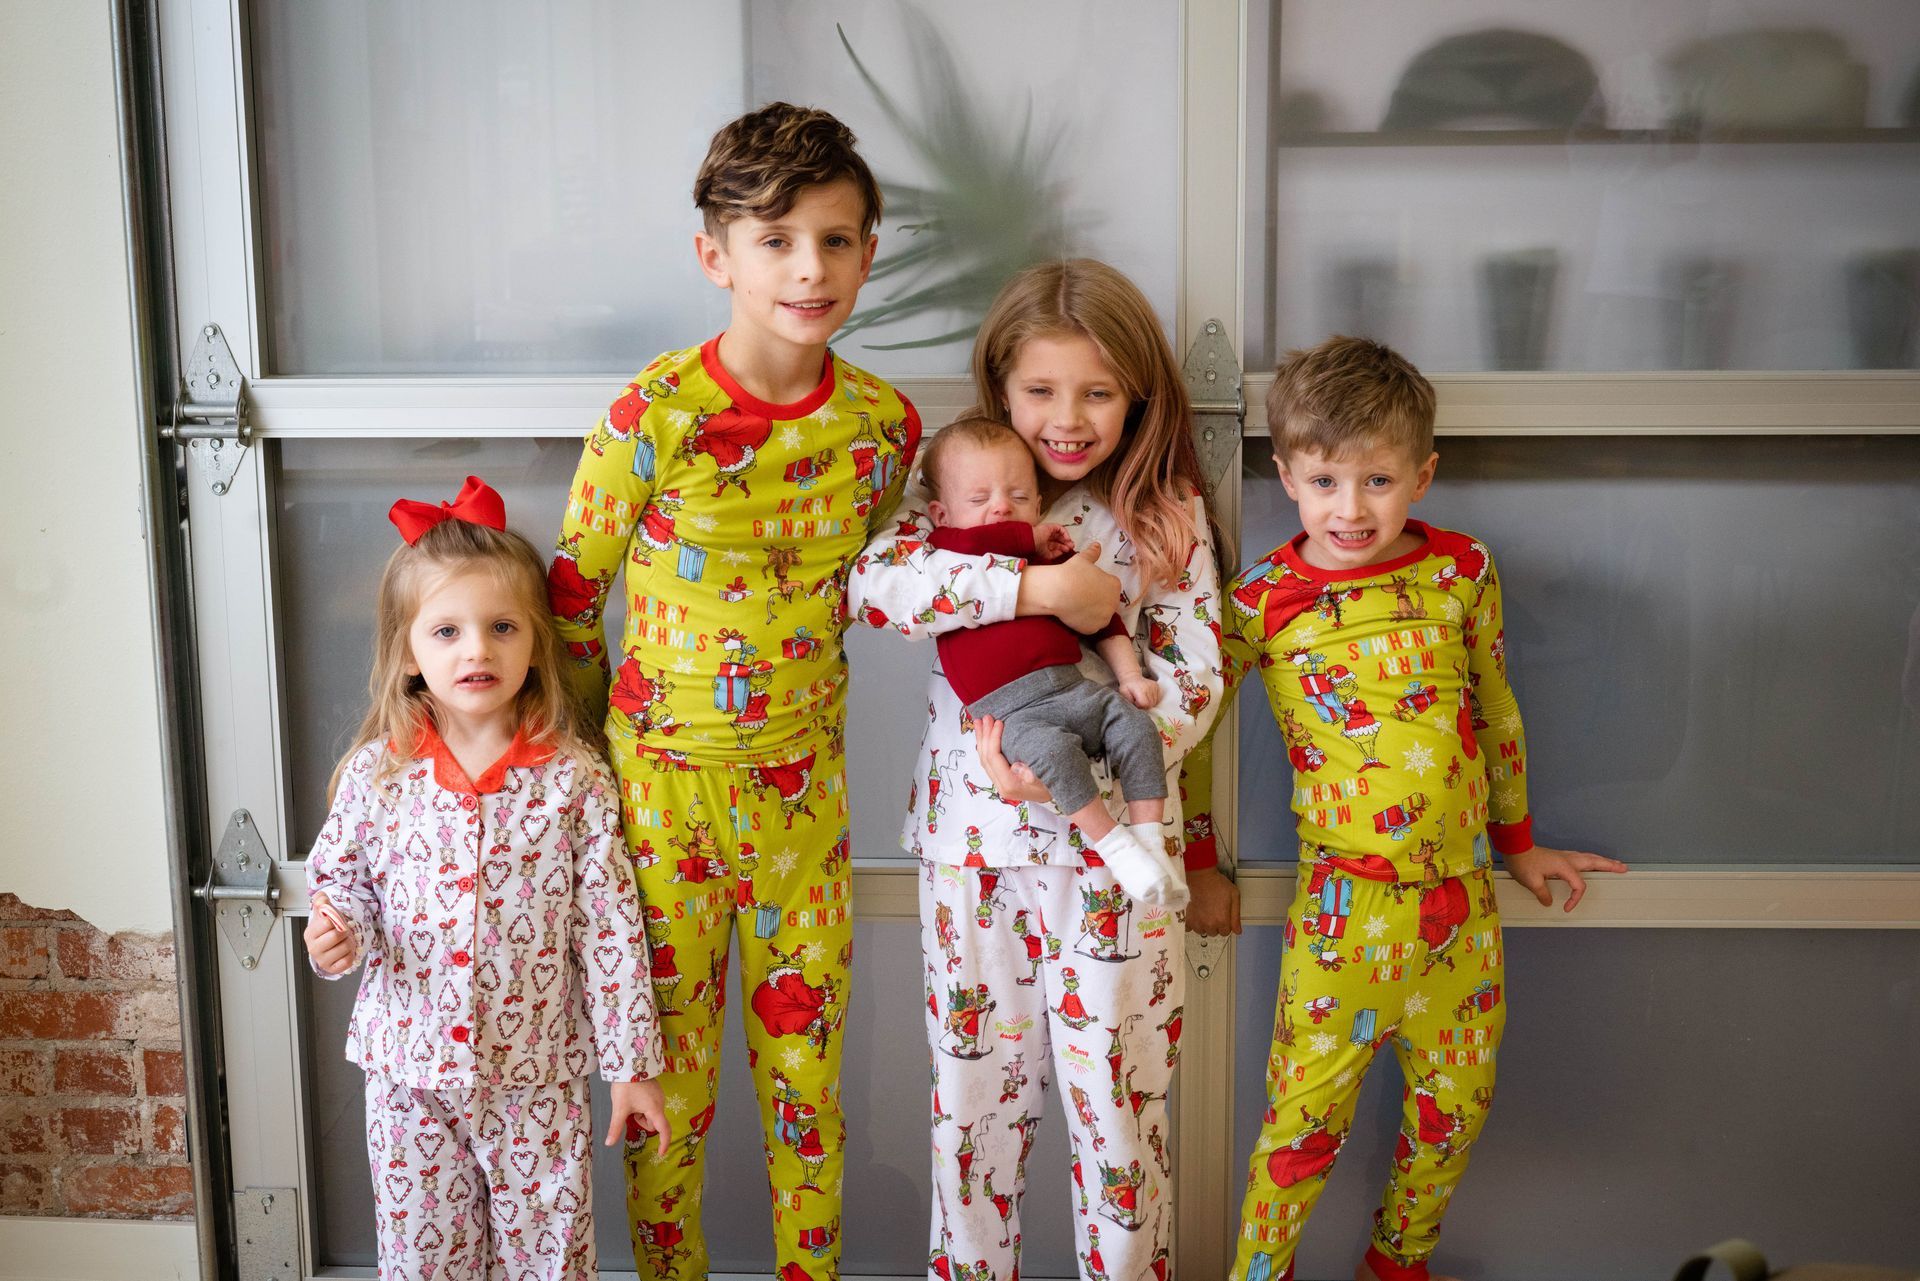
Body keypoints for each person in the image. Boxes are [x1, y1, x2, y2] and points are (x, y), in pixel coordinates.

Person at [545, 103, 919, 1279]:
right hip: (658, 811)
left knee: (810, 1096)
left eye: (839, 240)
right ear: (717, 256)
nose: (811, 268)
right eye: (777, 240)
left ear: (869, 250)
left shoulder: (882, 427)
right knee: (668, 1103)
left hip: (803, 811)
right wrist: (599, 777)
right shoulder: (650, 417)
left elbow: (889, 582)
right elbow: (569, 609)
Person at [1208, 337, 1627, 1281]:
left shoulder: (1461, 571)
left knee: (1456, 1109)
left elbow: (1495, 708)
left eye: (1378, 480)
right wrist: (1197, 857)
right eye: (1323, 481)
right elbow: (1191, 735)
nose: (1349, 509)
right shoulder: (1261, 602)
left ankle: (1398, 1262)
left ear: (1423, 475)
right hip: (1344, 916)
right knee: (1299, 1130)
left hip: (1463, 911)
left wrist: (1517, 843)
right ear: (1285, 476)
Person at [848, 259, 1227, 1280]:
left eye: (1098, 392)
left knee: (1121, 1124)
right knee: (973, 1120)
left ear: (1137, 397)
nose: (1068, 418)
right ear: (1000, 388)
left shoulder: (1164, 511)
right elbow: (875, 591)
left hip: (1116, 868)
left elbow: (1193, 679)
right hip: (971, 857)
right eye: (1042, 391)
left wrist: (1091, 782)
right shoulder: (956, 495)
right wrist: (1034, 586)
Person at [303, 476, 670, 1281]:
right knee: (423, 1255)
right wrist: (336, 934)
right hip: (410, 1073)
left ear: (534, 641)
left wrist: (630, 1066)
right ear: (408, 654)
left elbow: (607, 928)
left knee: (550, 1256)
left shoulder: (574, 780)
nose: (477, 649)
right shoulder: (380, 774)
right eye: (447, 630)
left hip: (538, 1075)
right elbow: (343, 882)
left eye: (502, 627)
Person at [919, 414, 1185, 907]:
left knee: (1135, 728)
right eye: (980, 500)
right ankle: (1115, 845)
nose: (1001, 508)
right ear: (942, 514)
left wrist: (1130, 676)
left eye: (1019, 498)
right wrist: (1029, 537)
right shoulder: (945, 561)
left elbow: (1104, 619)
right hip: (1012, 712)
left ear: (1039, 504)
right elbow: (970, 543)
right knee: (1054, 756)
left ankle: (1151, 844)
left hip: (1073, 687)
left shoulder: (1053, 562)